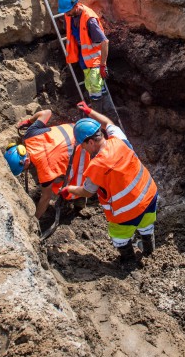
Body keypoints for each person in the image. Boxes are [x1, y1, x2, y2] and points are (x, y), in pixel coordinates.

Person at [64, 103, 158, 262]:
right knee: (146, 226)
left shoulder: (97, 166)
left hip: (126, 211)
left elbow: (87, 191)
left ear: (91, 143)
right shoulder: (118, 139)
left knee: (120, 238)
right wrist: (90, 111)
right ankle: (149, 252)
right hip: (149, 196)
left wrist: (70, 189)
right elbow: (108, 123)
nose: (83, 149)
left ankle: (128, 263)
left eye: (83, 145)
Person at [4, 109, 76, 219]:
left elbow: (46, 197)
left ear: (26, 161)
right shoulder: (30, 135)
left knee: (60, 181)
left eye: (23, 169)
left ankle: (78, 201)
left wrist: (35, 219)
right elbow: (47, 112)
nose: (24, 171)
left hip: (87, 151)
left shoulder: (45, 172)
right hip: (77, 128)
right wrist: (29, 121)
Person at [58, 0, 109, 100]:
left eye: (67, 11)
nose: (66, 14)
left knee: (95, 88)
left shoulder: (90, 20)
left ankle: (99, 110)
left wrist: (103, 65)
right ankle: (101, 106)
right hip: (83, 56)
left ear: (76, 6)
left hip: (95, 58)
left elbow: (105, 42)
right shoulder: (69, 15)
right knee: (91, 85)